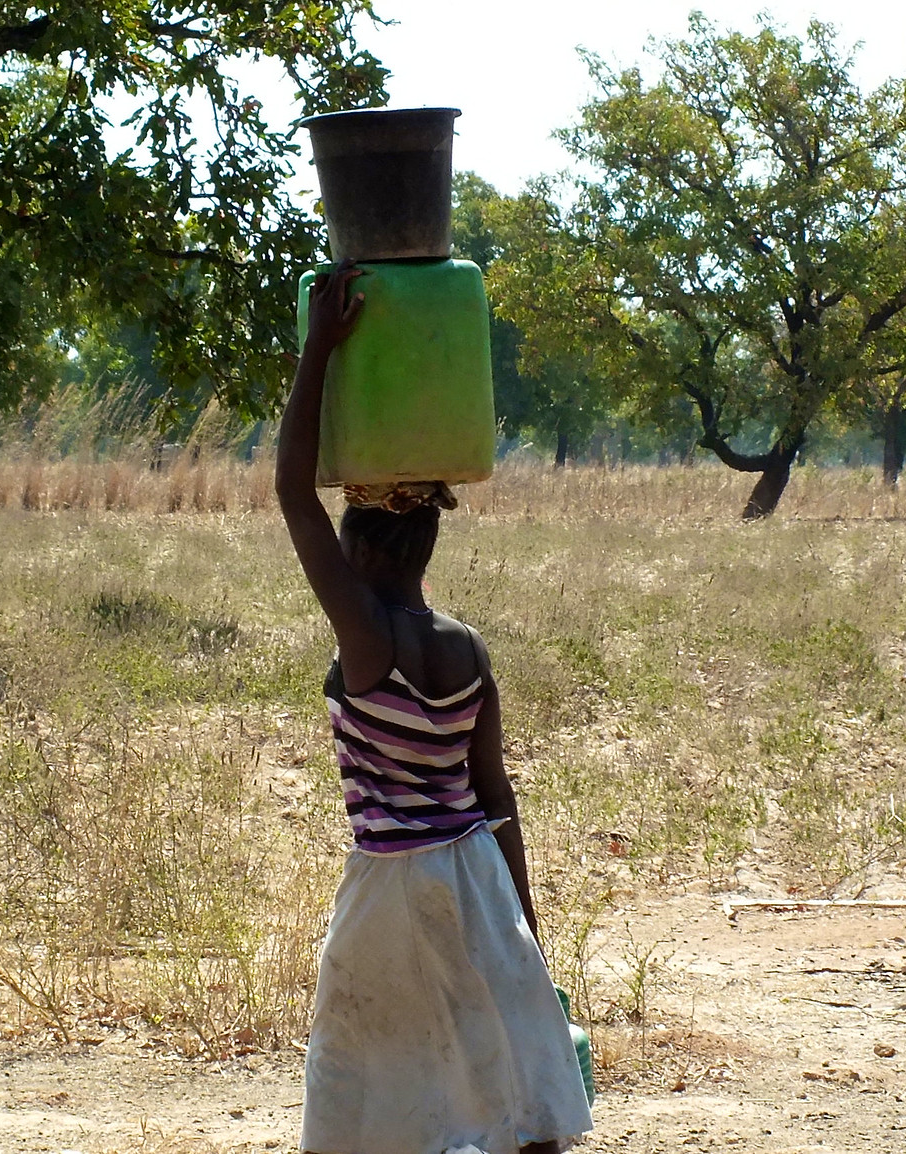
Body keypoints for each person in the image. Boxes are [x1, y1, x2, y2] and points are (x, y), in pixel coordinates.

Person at [278, 266, 592, 1154]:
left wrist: (319, 350)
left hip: (391, 881)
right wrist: (521, 923)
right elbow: (498, 796)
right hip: (473, 872)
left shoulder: (368, 639)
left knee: (373, 1079)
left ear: (359, 550)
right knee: (504, 1066)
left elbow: (291, 493)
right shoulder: (467, 651)